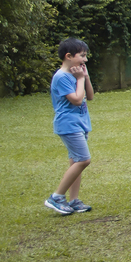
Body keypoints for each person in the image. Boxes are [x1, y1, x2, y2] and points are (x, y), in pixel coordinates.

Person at [45, 38, 96, 215]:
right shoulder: (61, 77)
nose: (85, 60)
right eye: (82, 56)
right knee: (83, 159)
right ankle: (56, 197)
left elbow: (89, 96)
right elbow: (76, 100)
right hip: (68, 125)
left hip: (80, 124)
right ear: (68, 56)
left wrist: (86, 77)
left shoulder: (77, 74)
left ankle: (73, 200)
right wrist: (80, 79)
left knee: (76, 161)